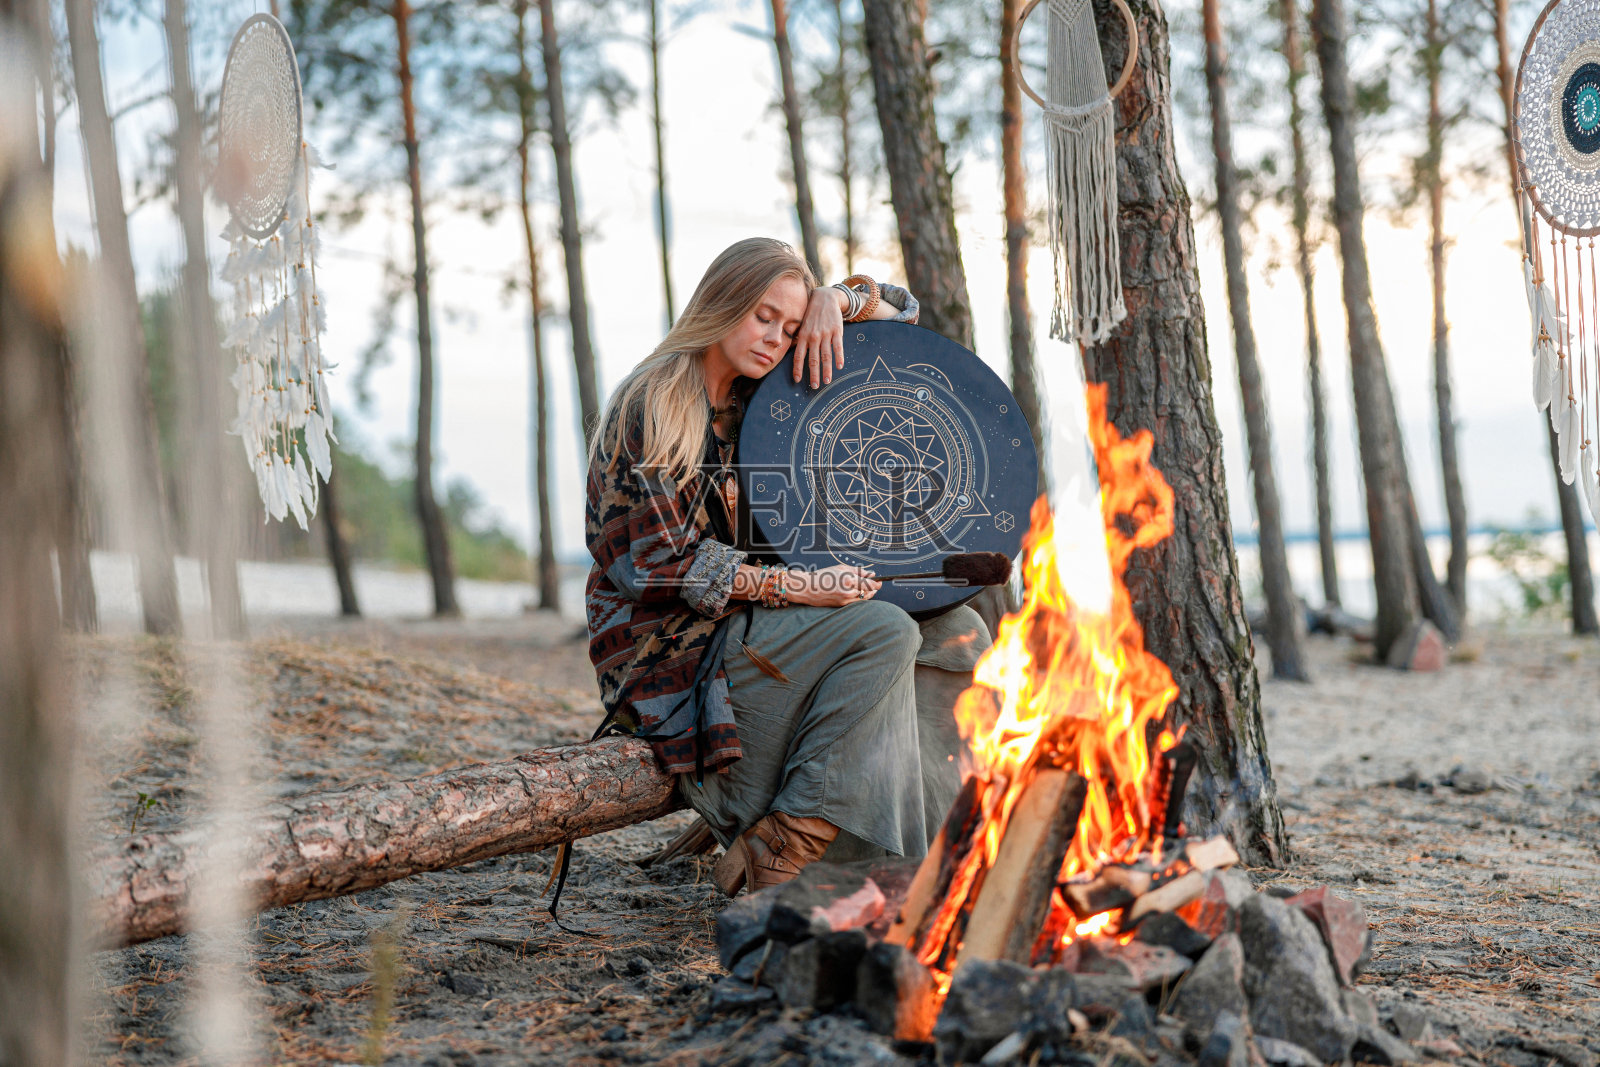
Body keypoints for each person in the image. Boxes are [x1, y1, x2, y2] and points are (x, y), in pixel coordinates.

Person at [584, 237, 990, 896]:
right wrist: (803, 585)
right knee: (886, 631)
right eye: (762, 316)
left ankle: (941, 841)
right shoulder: (657, 400)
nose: (776, 338)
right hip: (672, 650)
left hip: (751, 621)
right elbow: (658, 563)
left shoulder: (757, 398)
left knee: (958, 627)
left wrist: (839, 300)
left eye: (792, 326)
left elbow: (904, 317)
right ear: (722, 302)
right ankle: (791, 839)